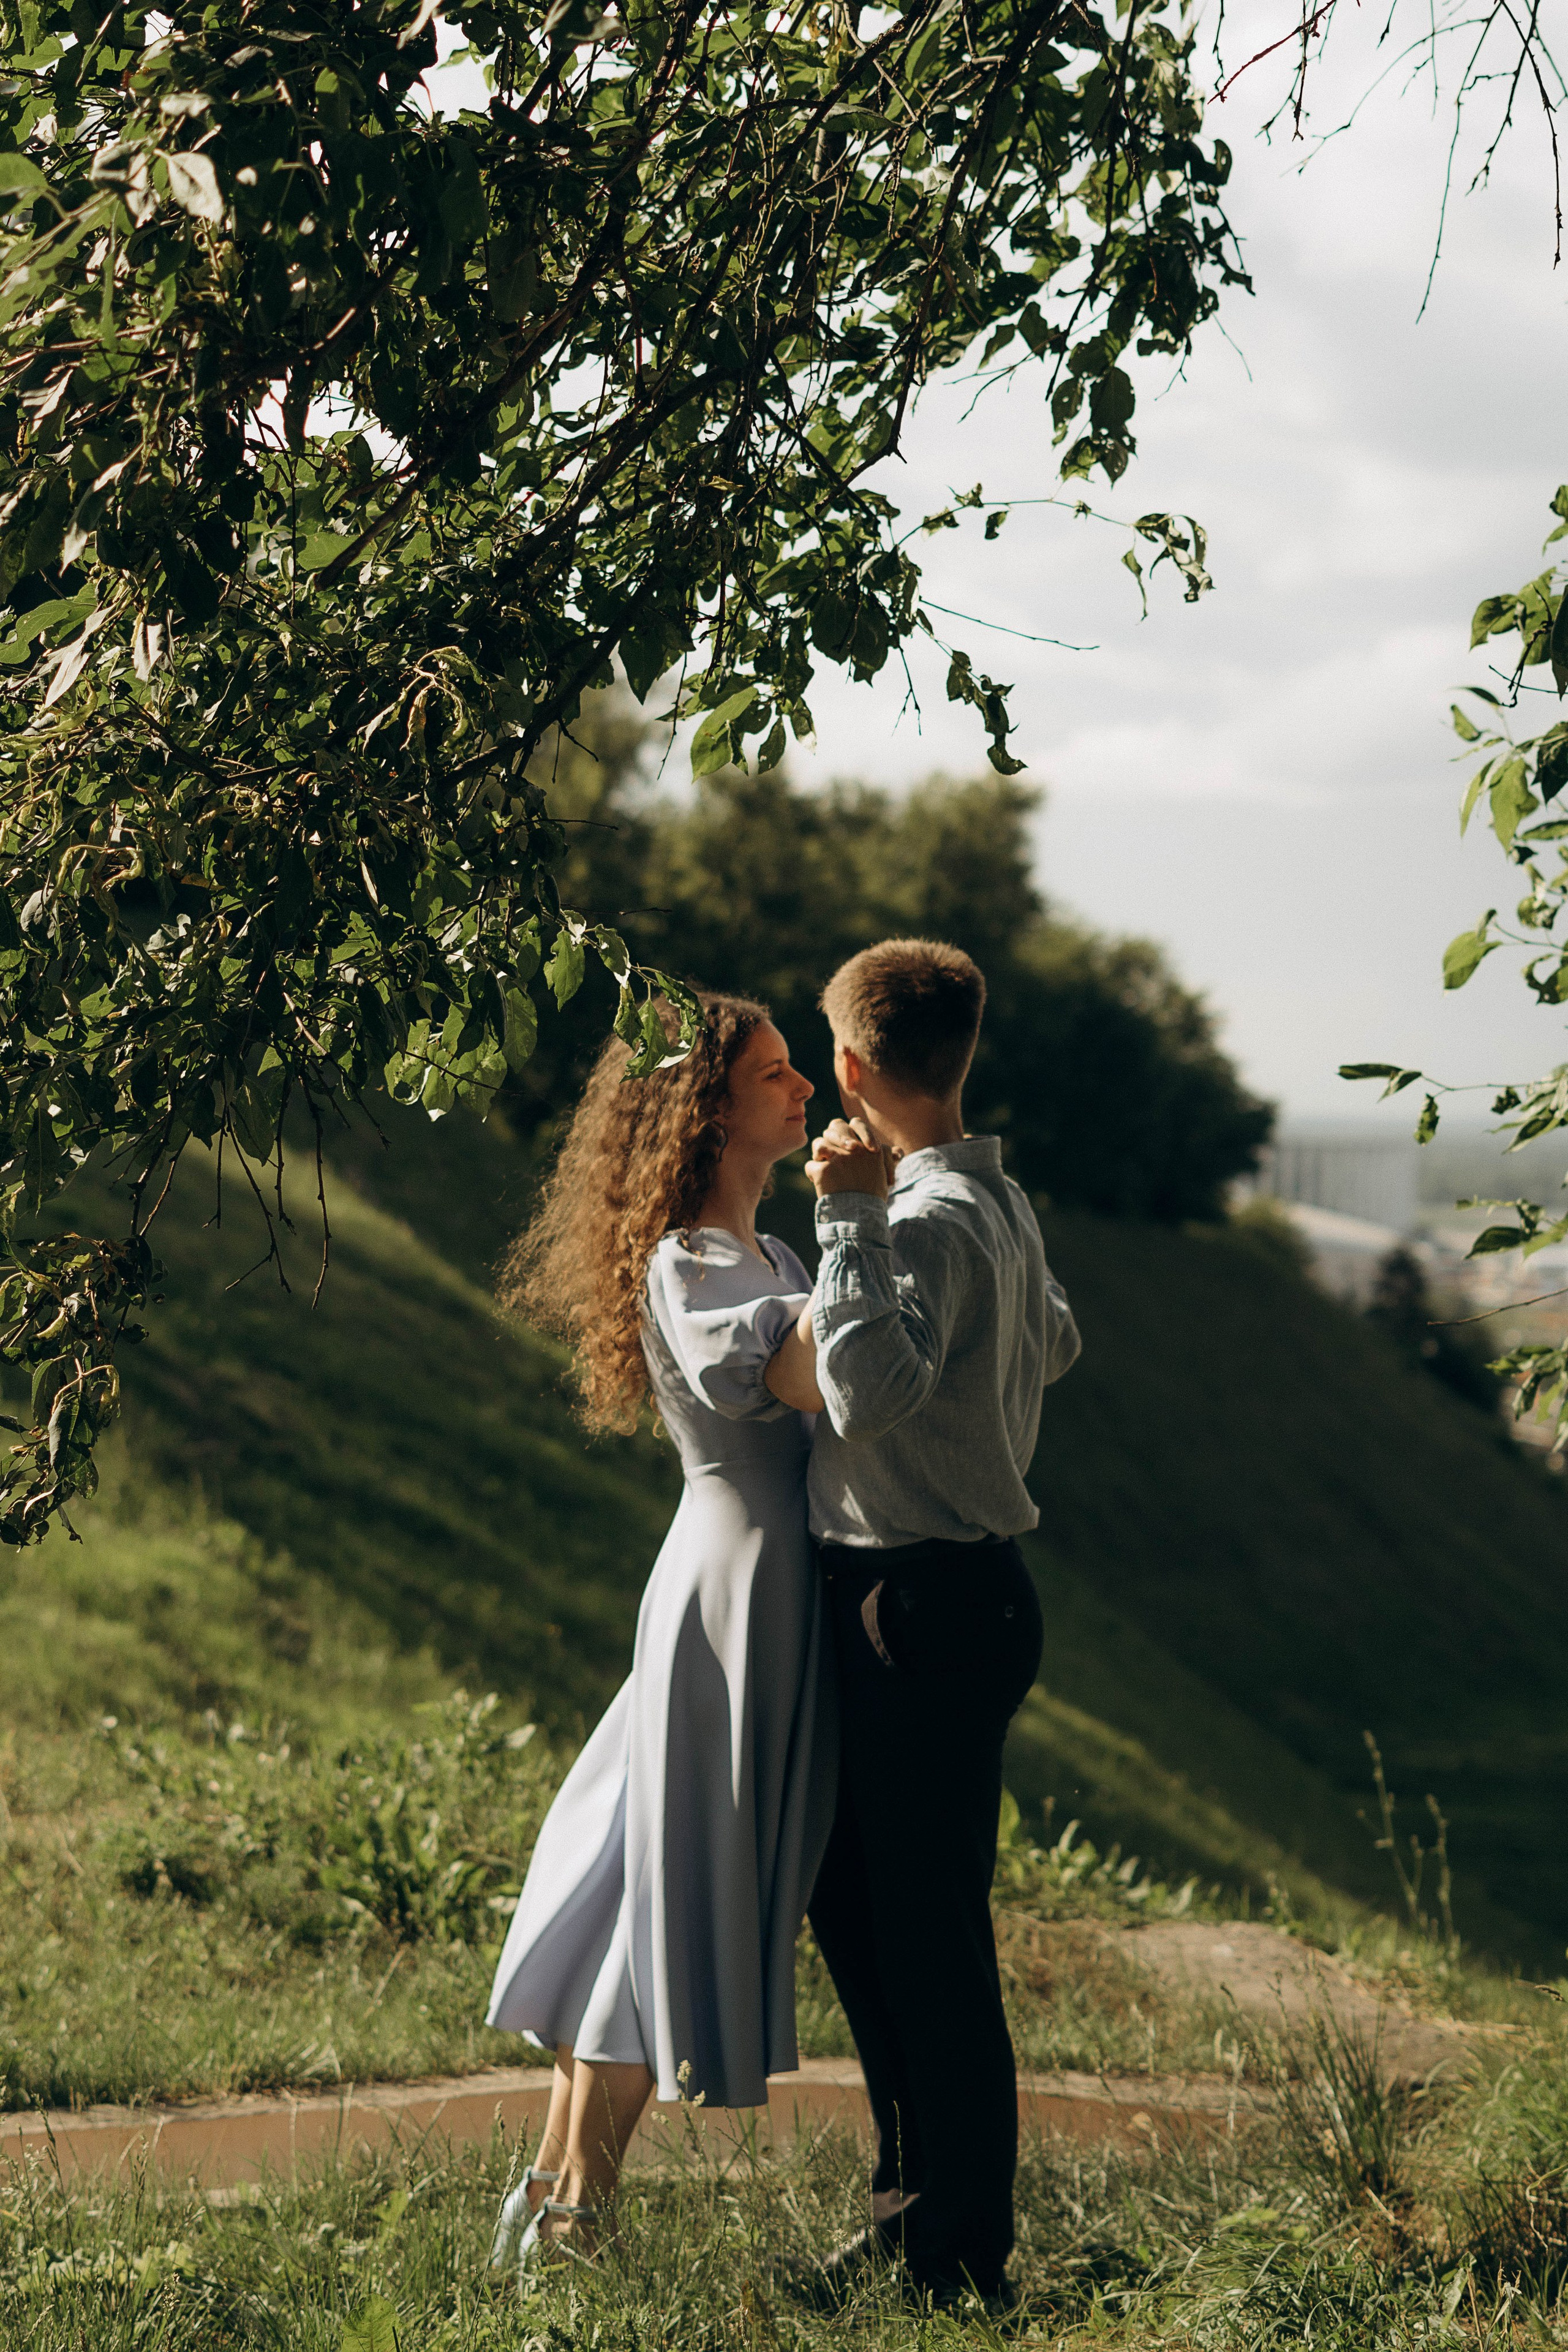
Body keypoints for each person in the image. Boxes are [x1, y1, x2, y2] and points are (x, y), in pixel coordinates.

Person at [485, 992, 836, 2272]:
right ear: (709, 1107)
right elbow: (805, 1376)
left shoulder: (771, 1259)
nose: (804, 1090)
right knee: (670, 1901)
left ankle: (551, 2198)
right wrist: (875, 1230)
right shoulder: (696, 1262)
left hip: (740, 1581)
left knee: (648, 1894)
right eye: (774, 1074)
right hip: (734, 1590)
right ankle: (575, 2216)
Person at [765, 937, 1082, 2309]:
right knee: (876, 1923)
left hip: (922, 1601)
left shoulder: (929, 1218)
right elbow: (1054, 1339)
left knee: (931, 1943)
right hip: (939, 1595)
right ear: (966, 1049)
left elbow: (872, 1393)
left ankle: (958, 2254)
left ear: (846, 1066)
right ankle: (911, 2214)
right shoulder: (989, 1204)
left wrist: (844, 1221)